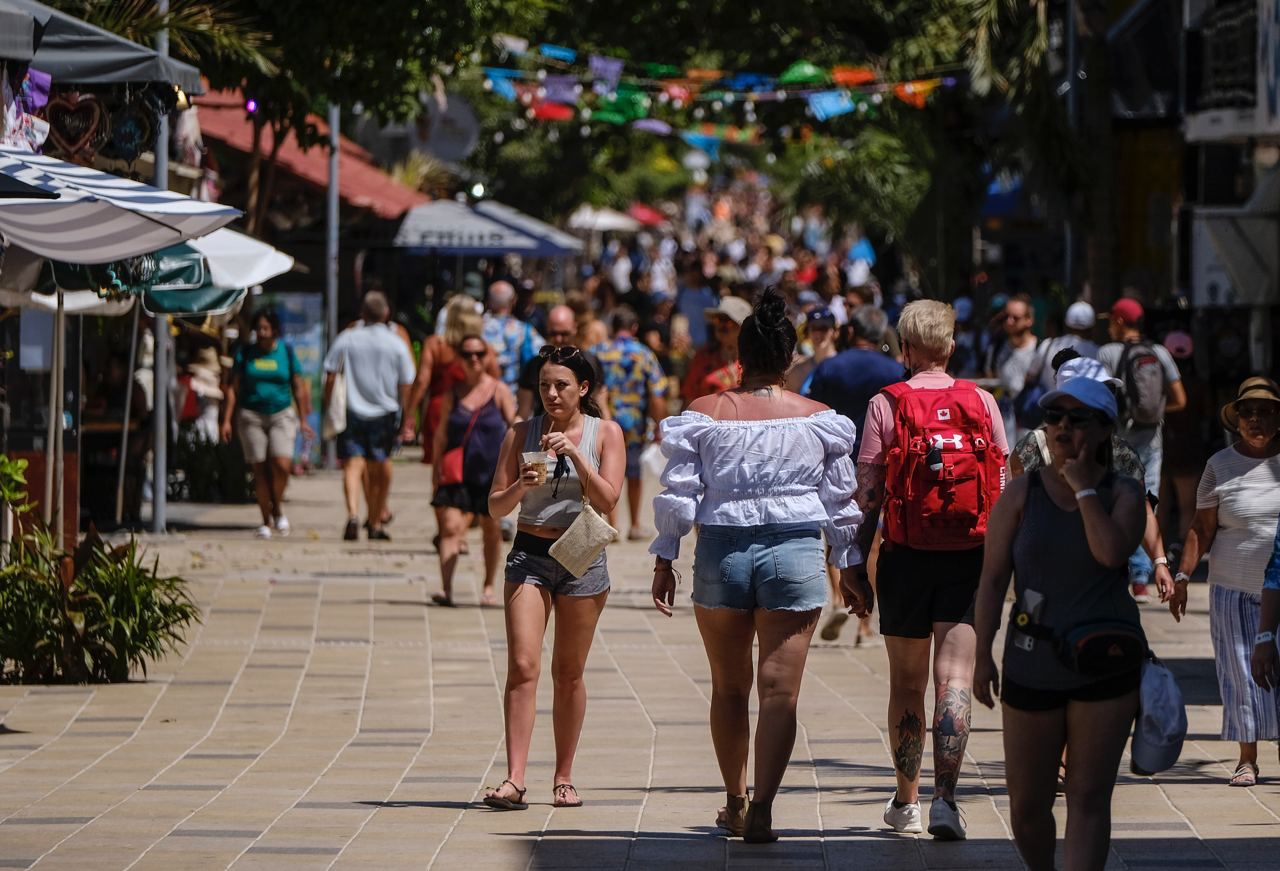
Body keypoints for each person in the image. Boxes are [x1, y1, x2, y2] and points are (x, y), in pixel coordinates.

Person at [649, 288, 865, 843]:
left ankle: (734, 799)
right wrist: (852, 564)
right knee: (780, 693)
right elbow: (842, 502)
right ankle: (765, 807)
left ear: (740, 357)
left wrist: (665, 555)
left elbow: (678, 493)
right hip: (794, 552)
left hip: (721, 550)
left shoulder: (705, 413)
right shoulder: (820, 419)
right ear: (791, 359)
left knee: (728, 688)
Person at [974, 377, 1147, 871]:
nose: (1063, 427)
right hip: (1033, 661)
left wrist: (1084, 489)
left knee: (1088, 799)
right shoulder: (1021, 494)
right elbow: (991, 580)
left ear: (1103, 430)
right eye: (1054, 418)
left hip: (1105, 662)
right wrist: (982, 651)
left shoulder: (1125, 494)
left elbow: (1110, 551)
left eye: (1077, 419)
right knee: (1027, 809)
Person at [851, 299, 1007, 840]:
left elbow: (867, 493)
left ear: (907, 348)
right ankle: (946, 798)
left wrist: (853, 561)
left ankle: (906, 799)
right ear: (950, 346)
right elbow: (1001, 485)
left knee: (906, 683)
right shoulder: (982, 401)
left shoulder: (885, 404)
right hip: (969, 556)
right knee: (955, 679)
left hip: (904, 558)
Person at [483, 345, 625, 811]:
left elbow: (608, 500)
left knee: (568, 673)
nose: (551, 393)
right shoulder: (520, 432)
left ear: (583, 389)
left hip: (581, 552)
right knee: (523, 666)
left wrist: (578, 459)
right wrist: (520, 485)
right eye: (544, 384)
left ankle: (563, 777)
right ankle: (514, 778)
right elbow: (494, 507)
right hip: (529, 553)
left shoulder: (605, 433)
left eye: (561, 385)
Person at [1168, 377, 1280, 787]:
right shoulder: (1220, 465)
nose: (1256, 420)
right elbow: (1201, 527)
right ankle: (1247, 759)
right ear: (1237, 420)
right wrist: (1182, 575)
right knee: (1240, 673)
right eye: (1248, 413)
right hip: (1232, 586)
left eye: (1265, 412)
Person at [808, 305, 904, 645]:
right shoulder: (896, 370)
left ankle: (839, 599)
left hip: (837, 460)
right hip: (881, 462)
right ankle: (866, 619)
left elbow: (813, 414)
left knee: (834, 535)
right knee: (873, 542)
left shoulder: (830, 368)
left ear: (852, 331)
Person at [1099, 298, 1187, 602]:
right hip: (1152, 440)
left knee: (1116, 503)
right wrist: (1155, 412)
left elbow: (1101, 400)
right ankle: (1140, 578)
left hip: (1119, 440)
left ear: (1120, 321)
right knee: (1146, 503)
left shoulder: (1108, 353)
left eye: (1111, 319)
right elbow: (1180, 398)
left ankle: (1122, 570)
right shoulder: (1159, 352)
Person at [430, 335, 516, 606]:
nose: (474, 359)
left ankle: (489, 585)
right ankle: (446, 589)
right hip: (458, 474)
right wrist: (436, 469)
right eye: (468, 354)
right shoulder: (452, 393)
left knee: (491, 529)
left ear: (488, 356)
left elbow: (515, 428)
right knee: (450, 528)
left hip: (491, 475)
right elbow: (441, 435)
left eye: (479, 353)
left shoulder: (499, 390)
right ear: (460, 359)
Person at [323, 292, 415, 542]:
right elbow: (407, 382)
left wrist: (327, 404)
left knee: (353, 465)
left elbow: (330, 373)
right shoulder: (396, 342)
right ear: (387, 314)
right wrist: (408, 415)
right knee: (381, 463)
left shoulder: (348, 337)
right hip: (385, 413)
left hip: (351, 411)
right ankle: (374, 521)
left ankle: (353, 514)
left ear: (362, 313)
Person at [221, 307, 314, 539]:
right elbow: (234, 388)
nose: (261, 333)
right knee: (259, 469)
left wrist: (304, 419)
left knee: (282, 465)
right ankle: (265, 520)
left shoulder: (286, 352)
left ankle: (278, 508)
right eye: (258, 329)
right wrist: (226, 420)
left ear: (274, 330)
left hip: (281, 414)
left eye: (265, 328)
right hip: (251, 415)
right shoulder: (246, 353)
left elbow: (299, 386)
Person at [592, 306, 668, 540]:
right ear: (634, 328)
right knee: (634, 473)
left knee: (605, 469)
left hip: (603, 419)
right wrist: (659, 424)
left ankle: (611, 525)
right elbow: (656, 394)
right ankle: (634, 524)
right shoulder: (643, 354)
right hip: (634, 422)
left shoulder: (598, 352)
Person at [401, 294, 489, 460]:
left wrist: (410, 414)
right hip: (475, 409)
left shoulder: (435, 344)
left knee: (440, 468)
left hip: (439, 411)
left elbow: (422, 381)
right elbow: (493, 380)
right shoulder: (482, 348)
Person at [516, 305, 607, 421]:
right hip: (544, 432)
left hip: (584, 432)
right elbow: (523, 411)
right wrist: (515, 433)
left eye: (564, 334)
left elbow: (601, 404)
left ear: (574, 328)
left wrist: (607, 433)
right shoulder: (535, 364)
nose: (559, 339)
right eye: (553, 333)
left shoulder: (590, 361)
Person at [682, 296, 752, 402]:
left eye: (727, 321)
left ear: (743, 327)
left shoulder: (756, 362)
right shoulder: (703, 357)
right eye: (718, 320)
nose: (721, 326)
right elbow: (690, 398)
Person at [483, 280, 544, 394]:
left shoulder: (476, 328)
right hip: (511, 395)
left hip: (481, 396)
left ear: (489, 301)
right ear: (513, 301)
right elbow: (544, 353)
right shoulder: (522, 329)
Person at [992, 293, 1039, 441]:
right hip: (1003, 424)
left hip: (1031, 427)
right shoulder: (997, 347)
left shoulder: (1040, 349)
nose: (1009, 322)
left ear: (1029, 320)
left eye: (1016, 318)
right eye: (1006, 317)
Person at [785, 307, 838, 394]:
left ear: (834, 332)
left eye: (823, 328)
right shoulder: (798, 371)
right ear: (808, 331)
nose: (818, 333)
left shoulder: (844, 367)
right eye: (814, 328)